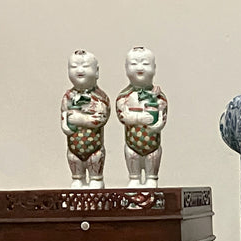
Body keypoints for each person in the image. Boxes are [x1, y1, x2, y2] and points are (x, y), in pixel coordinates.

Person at [116, 47, 167, 188]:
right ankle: (134, 178)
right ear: (126, 68)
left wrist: (158, 124)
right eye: (134, 64)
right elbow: (122, 116)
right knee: (132, 157)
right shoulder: (124, 96)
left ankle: (152, 178)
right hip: (132, 142)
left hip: (152, 143)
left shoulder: (158, 96)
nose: (139, 67)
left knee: (152, 157)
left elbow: (162, 115)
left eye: (145, 64)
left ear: (154, 68)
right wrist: (139, 118)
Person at [61, 50, 110, 188]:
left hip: (94, 146)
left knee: (95, 173)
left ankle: (96, 181)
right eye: (74, 66)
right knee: (76, 177)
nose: (79, 70)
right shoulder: (68, 96)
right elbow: (64, 114)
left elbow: (101, 118)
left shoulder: (99, 97)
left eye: (85, 66)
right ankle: (77, 179)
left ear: (97, 71)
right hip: (74, 146)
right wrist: (65, 125)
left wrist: (80, 119)